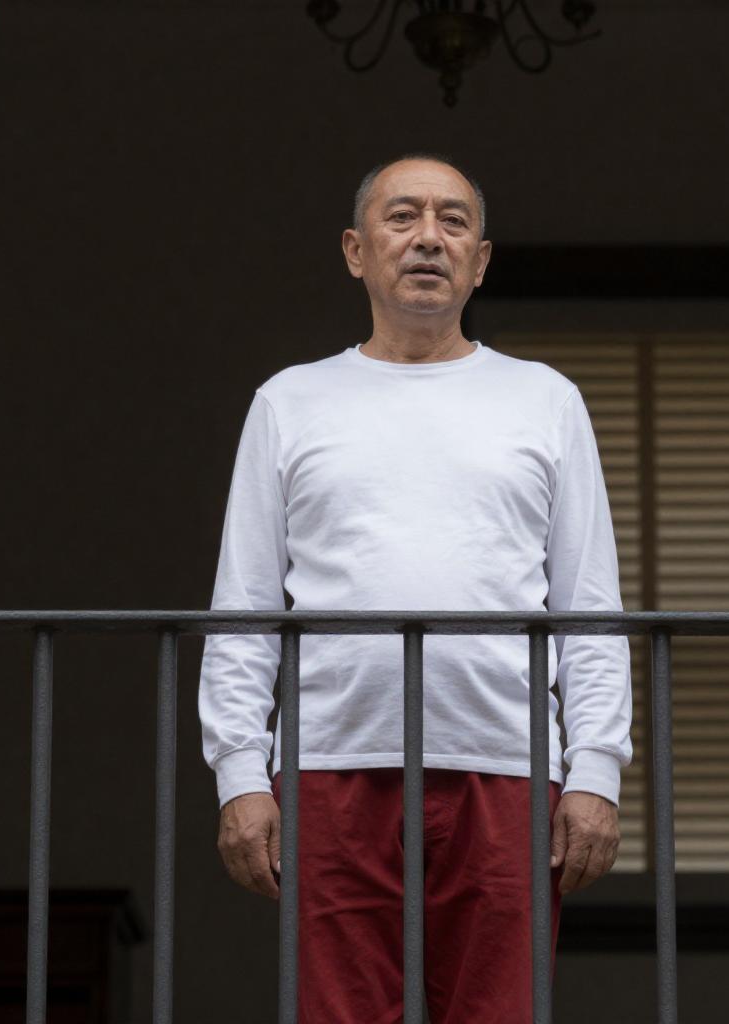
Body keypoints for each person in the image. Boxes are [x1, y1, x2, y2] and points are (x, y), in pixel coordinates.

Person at [198, 153, 633, 1023]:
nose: (428, 237)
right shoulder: (290, 401)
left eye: (452, 220)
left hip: (507, 767)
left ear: (481, 260)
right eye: (402, 217)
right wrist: (241, 772)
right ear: (356, 251)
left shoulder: (545, 400)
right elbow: (244, 606)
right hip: (330, 766)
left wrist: (596, 770)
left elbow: (589, 605)